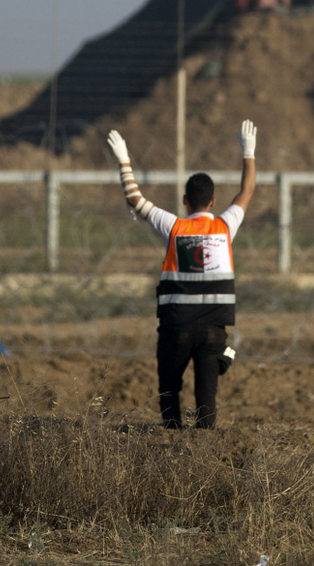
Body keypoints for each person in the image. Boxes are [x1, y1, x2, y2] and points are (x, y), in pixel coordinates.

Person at [105, 120, 258, 429]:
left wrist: (123, 159)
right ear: (213, 202)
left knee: (169, 389)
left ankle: (171, 437)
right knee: (207, 397)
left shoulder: (173, 226)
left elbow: (135, 199)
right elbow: (247, 190)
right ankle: (202, 450)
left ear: (185, 201)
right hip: (214, 329)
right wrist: (248, 151)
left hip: (176, 327)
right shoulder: (225, 226)